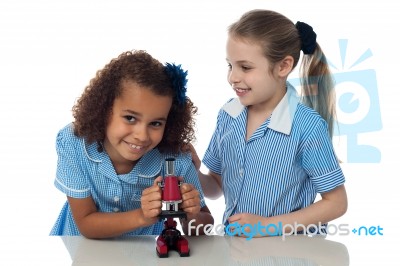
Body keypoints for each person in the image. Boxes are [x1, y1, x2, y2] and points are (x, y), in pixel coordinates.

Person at [194, 9, 347, 237]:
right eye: (230, 65)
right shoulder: (228, 115)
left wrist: (267, 226)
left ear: (283, 66)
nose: (232, 77)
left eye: (245, 67)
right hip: (238, 250)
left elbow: (336, 203)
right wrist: (191, 170)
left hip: (292, 253)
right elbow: (216, 187)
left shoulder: (307, 126)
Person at [50, 50, 213, 238]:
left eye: (156, 123)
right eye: (130, 118)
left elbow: (204, 226)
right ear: (104, 109)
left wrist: (190, 214)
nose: (142, 136)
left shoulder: (176, 161)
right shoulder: (74, 143)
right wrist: (142, 216)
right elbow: (86, 222)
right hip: (78, 252)